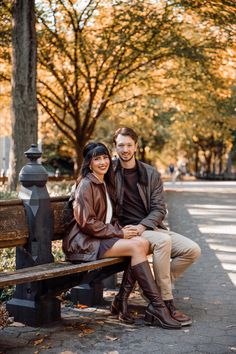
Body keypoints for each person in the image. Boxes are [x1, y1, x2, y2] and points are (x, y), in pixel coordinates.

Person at [63, 142, 181, 329]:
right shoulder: (86, 184)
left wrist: (127, 231)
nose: (103, 162)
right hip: (83, 243)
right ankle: (158, 307)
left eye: (105, 158)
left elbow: (111, 217)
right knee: (137, 247)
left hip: (99, 238)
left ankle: (121, 300)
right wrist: (120, 233)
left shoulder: (105, 182)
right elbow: (87, 223)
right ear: (89, 163)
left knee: (141, 242)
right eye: (97, 159)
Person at [112, 127, 201, 326]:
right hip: (124, 233)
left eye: (128, 145)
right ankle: (165, 304)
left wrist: (143, 226)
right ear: (115, 147)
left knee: (192, 250)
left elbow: (159, 208)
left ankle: (152, 289)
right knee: (163, 241)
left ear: (136, 146)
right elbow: (87, 185)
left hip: (148, 228)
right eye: (121, 145)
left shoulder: (150, 173)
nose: (125, 149)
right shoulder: (109, 171)